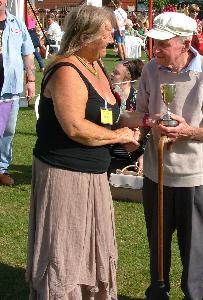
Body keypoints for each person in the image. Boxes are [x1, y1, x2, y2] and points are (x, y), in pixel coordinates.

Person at [119, 11, 203, 300]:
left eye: (162, 44)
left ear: (184, 43)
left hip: (198, 178)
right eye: (154, 43)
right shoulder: (150, 70)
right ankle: (157, 293)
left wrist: (189, 132)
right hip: (156, 175)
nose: (155, 49)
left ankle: (193, 296)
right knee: (157, 244)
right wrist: (142, 130)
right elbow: (139, 115)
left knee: (194, 249)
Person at [25, 5, 138, 299]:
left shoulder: (95, 65)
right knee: (65, 247)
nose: (112, 37)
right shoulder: (66, 70)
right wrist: (117, 135)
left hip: (94, 173)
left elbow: (106, 113)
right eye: (106, 32)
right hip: (64, 174)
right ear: (86, 35)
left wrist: (144, 120)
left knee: (92, 244)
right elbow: (75, 126)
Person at [0, 0, 35, 186]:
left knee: (7, 131)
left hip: (10, 88)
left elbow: (28, 53)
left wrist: (30, 80)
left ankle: (1, 169)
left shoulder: (17, 24)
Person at [109, 59, 145, 174]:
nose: (111, 75)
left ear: (128, 79)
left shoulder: (139, 99)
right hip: (109, 152)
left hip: (132, 157)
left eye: (116, 73)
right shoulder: (107, 96)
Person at [27, 5, 44, 72]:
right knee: (35, 51)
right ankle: (42, 66)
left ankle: (31, 66)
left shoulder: (27, 17)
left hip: (29, 33)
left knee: (27, 51)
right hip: (33, 33)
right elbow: (35, 25)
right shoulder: (34, 17)